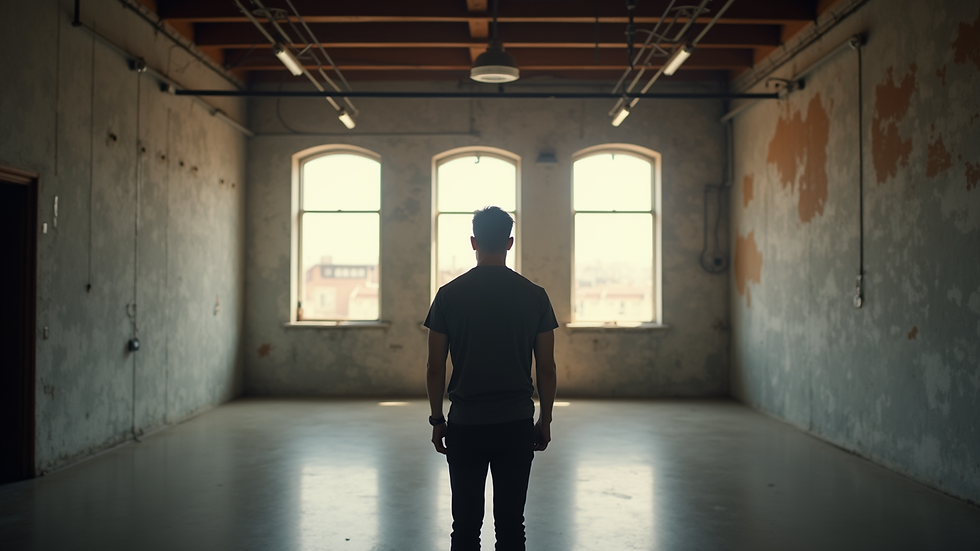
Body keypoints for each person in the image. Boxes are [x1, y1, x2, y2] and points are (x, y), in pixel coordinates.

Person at [424, 206, 559, 551]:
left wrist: (438, 420)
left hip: (465, 425)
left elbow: (435, 367)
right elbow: (546, 367)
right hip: (515, 423)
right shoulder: (535, 296)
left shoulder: (448, 295)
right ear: (510, 242)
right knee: (512, 525)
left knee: (465, 526)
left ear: (474, 242)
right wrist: (545, 419)